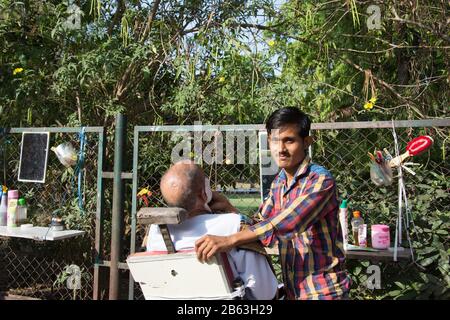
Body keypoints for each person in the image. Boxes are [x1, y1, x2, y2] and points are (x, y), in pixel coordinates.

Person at [195, 107, 351, 300]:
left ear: (306, 142)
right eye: (275, 140)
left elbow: (287, 224)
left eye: (289, 140)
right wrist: (230, 209)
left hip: (323, 291)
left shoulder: (319, 180)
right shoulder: (280, 182)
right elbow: (261, 224)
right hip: (295, 291)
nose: (281, 149)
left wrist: (229, 240)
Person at [146, 161, 279, 300]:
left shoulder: (156, 230)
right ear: (204, 194)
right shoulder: (234, 225)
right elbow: (264, 291)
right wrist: (231, 210)